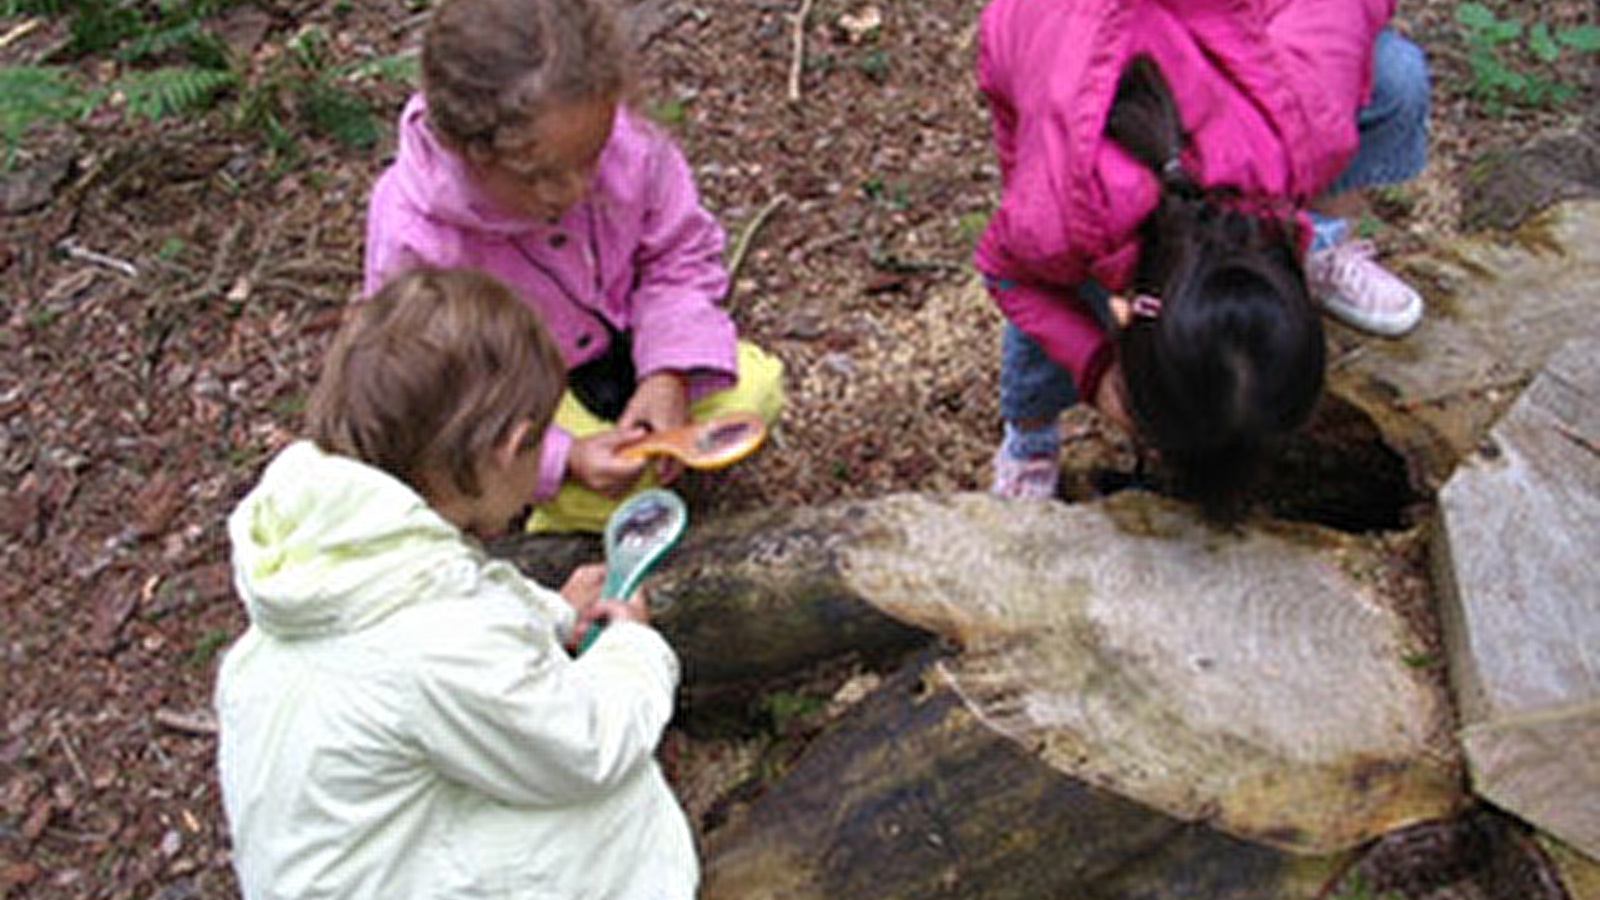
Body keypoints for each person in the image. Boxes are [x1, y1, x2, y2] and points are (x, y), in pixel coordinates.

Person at [215, 267, 698, 900]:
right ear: (512, 446)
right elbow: (586, 748)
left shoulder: (323, 558)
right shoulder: (440, 643)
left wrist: (550, 614)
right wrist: (634, 650)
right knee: (612, 805)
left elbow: (444, 591)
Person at [975, 0, 1431, 516]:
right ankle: (1029, 437)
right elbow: (1008, 272)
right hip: (1047, 31)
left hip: (1210, 43)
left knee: (1396, 75)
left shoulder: (1309, 110)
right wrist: (1095, 370)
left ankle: (1324, 248)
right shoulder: (1063, 214)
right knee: (1059, 275)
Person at [364, 0, 785, 533]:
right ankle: (565, 503)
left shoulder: (629, 145)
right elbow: (437, 395)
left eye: (591, 157)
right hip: (522, 398)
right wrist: (561, 458)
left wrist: (668, 374)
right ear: (465, 150)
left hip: (626, 343)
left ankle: (633, 469)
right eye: (537, 175)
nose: (574, 188)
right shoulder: (418, 237)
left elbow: (679, 258)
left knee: (755, 393)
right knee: (601, 494)